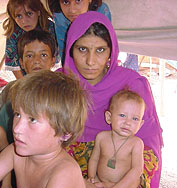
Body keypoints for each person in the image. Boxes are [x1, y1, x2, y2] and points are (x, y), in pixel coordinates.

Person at [61, 11, 163, 188]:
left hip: (127, 154)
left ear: (111, 51)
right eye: (82, 49)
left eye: (100, 50)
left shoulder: (132, 83)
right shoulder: (59, 83)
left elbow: (147, 137)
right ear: (70, 49)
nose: (90, 61)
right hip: (74, 151)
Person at [0, 70, 88, 188]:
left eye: (32, 119)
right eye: (17, 114)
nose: (17, 128)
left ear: (65, 133)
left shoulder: (64, 173)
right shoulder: (16, 152)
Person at [0, 29, 57, 144]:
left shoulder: (60, 91)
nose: (37, 61)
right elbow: (1, 128)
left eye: (43, 55)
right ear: (21, 62)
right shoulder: (11, 91)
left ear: (53, 60)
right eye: (29, 56)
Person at [88, 89, 145, 188]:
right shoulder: (101, 137)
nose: (128, 122)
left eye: (135, 119)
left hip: (125, 184)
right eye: (122, 115)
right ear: (109, 117)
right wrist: (91, 176)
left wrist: (119, 186)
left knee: (135, 181)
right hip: (100, 180)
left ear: (140, 125)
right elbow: (94, 159)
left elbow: (137, 169)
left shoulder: (136, 143)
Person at [3, 0, 57, 79]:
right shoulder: (13, 33)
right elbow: (14, 65)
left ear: (38, 11)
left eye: (29, 14)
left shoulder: (49, 27)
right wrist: (24, 84)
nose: (24, 21)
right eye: (18, 16)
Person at [47, 0, 111, 63]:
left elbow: (106, 49)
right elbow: (65, 56)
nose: (72, 10)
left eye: (78, 1)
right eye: (65, 2)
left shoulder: (101, 12)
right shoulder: (59, 16)